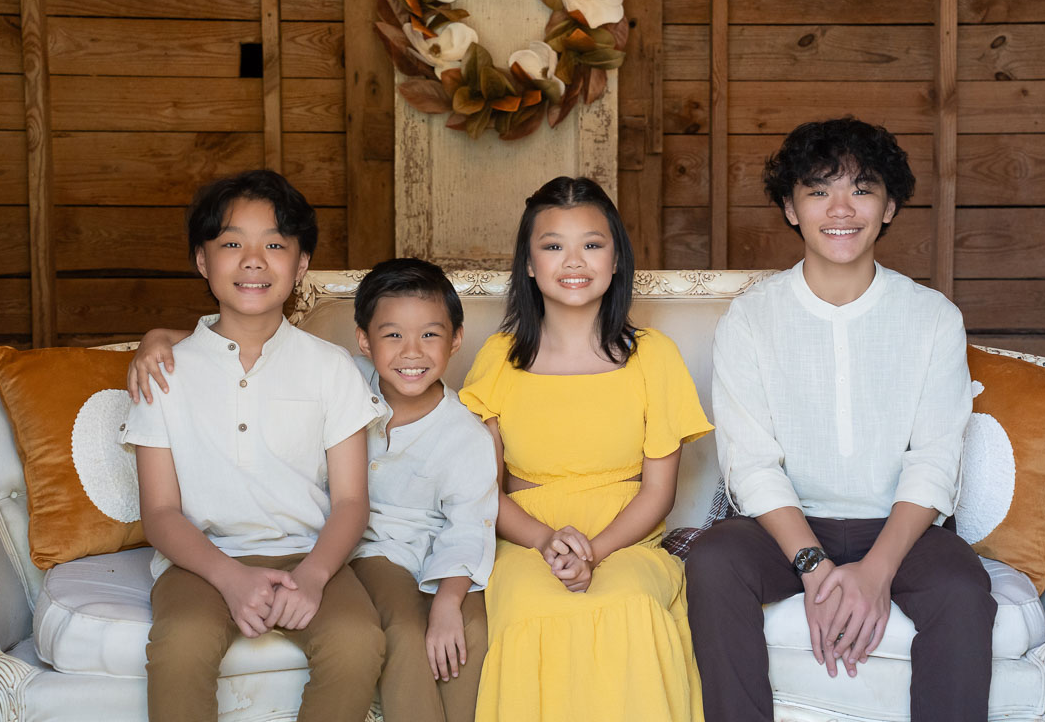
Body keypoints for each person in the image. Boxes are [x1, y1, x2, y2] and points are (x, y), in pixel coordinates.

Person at [686, 118, 996, 722]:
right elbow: (750, 463)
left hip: (901, 530)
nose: (840, 208)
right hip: (783, 532)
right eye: (818, 189)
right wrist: (816, 569)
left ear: (889, 206)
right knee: (715, 561)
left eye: (862, 188)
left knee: (962, 590)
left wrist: (876, 572)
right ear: (790, 208)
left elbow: (934, 458)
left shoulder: (932, 316)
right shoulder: (750, 319)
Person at [120, 170, 385, 722]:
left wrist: (313, 576)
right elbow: (161, 511)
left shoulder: (330, 369)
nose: (253, 260)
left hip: (307, 553)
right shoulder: (164, 371)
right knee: (182, 644)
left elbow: (351, 501)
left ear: (302, 263)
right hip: (199, 561)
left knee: (358, 640)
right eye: (232, 243)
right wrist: (229, 577)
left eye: (275, 245)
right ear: (202, 260)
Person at [459, 176, 713, 722]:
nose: (573, 261)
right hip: (526, 542)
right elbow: (480, 487)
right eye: (553, 246)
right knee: (530, 609)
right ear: (528, 264)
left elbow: (659, 493)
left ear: (617, 258)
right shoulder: (500, 357)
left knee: (631, 606)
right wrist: (548, 541)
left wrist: (592, 552)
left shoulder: (655, 356)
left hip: (627, 541)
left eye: (592, 244)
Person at [348, 257, 497, 722]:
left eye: (430, 335)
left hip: (436, 551)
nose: (412, 352)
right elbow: (258, 348)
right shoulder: (342, 382)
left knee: (471, 626)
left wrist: (450, 601)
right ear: (363, 339)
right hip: (369, 548)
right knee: (406, 627)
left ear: (456, 339)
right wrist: (159, 337)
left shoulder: (465, 434)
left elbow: (468, 527)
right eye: (393, 335)